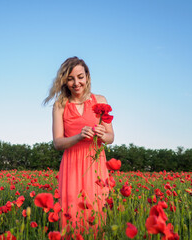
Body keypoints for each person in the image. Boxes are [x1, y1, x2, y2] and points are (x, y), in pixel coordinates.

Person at [43, 56, 114, 234]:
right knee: (72, 215)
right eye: (70, 78)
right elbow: (58, 142)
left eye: (80, 77)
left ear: (87, 77)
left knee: (96, 214)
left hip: (96, 164)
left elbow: (111, 137)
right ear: (64, 81)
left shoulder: (100, 100)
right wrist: (79, 136)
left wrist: (102, 135)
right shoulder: (60, 105)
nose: (76, 83)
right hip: (71, 166)